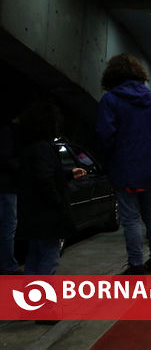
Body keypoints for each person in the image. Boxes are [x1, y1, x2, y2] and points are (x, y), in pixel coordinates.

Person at [96, 54, 151, 275]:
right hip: (149, 166)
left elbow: (105, 135)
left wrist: (108, 159)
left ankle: (136, 264)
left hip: (124, 167)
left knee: (130, 218)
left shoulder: (110, 100)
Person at [17, 102, 86, 275]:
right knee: (49, 258)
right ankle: (43, 299)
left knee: (34, 256)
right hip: (47, 216)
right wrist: (59, 205)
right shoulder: (43, 148)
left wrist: (68, 174)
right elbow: (44, 179)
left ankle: (31, 298)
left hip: (32, 213)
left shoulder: (28, 147)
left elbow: (39, 175)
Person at [0, 111, 20, 275]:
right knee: (8, 227)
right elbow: (6, 159)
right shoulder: (8, 132)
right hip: (6, 187)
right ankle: (8, 266)